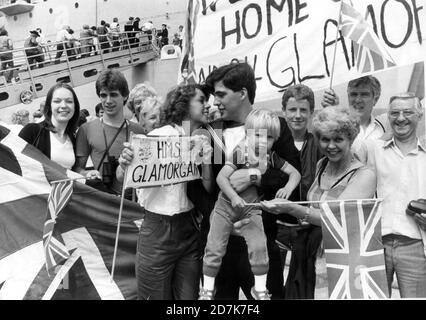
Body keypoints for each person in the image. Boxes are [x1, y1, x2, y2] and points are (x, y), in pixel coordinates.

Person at [202, 62, 300, 299]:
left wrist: (255, 177)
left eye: (221, 94)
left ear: (243, 93)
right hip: (221, 244)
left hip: (260, 237)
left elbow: (295, 173)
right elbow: (202, 189)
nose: (215, 102)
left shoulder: (275, 126)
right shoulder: (211, 132)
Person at [261, 106, 376, 299]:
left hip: (339, 258)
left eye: (338, 139)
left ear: (351, 139)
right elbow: (315, 206)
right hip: (307, 250)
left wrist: (292, 208)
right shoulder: (322, 165)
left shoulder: (364, 175)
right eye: (325, 139)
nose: (330, 146)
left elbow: (334, 218)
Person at [117, 84, 213, 300]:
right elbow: (123, 177)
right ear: (184, 105)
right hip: (158, 230)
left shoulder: (200, 139)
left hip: (189, 229)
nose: (207, 105)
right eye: (201, 100)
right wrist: (124, 163)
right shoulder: (159, 136)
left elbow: (207, 187)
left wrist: (206, 161)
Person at [356, 93, 426, 298]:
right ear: (388, 116)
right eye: (395, 113)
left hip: (415, 246)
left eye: (408, 112)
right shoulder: (372, 148)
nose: (401, 118)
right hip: (376, 244)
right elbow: (342, 153)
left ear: (419, 115)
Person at [280, 84, 323, 299]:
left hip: (307, 228)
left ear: (311, 113)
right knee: (268, 288)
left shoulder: (321, 144)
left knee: (302, 290)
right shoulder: (271, 142)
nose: (297, 115)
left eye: (303, 110)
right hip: (276, 227)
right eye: (292, 110)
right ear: (284, 111)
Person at [74, 69, 144, 195]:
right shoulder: (86, 129)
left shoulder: (139, 130)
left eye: (114, 94)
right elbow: (78, 169)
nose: (108, 101)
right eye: (103, 95)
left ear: (125, 96)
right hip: (106, 201)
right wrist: (87, 174)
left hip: (136, 200)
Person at [18, 83, 80, 170]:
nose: (63, 106)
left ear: (75, 107)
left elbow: (74, 172)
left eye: (69, 101)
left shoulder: (73, 138)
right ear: (49, 106)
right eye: (57, 101)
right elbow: (13, 162)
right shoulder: (32, 131)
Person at [321, 76, 387, 153]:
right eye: (354, 94)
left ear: (375, 99)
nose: (358, 100)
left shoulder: (383, 126)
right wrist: (333, 110)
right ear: (348, 96)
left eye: (364, 94)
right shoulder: (338, 126)